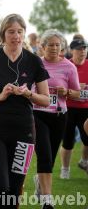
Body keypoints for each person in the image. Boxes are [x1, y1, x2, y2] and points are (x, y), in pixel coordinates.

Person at [0, 14, 50, 208]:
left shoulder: (34, 61)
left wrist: (29, 94)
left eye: (20, 32)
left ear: (24, 34)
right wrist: (1, 95)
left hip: (24, 132)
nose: (16, 36)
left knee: (14, 188)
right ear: (3, 33)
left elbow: (45, 100)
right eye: (11, 32)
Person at [31, 29, 80, 208]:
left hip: (59, 115)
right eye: (50, 45)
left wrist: (66, 92)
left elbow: (77, 93)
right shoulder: (36, 64)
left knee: (50, 157)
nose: (54, 48)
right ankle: (47, 200)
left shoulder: (69, 66)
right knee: (44, 153)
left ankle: (40, 181)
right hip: (38, 113)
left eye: (57, 45)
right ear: (42, 47)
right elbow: (28, 86)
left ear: (62, 47)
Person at [60, 39, 88, 178]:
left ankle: (84, 161)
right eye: (78, 49)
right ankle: (65, 169)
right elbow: (57, 86)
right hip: (68, 108)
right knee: (68, 141)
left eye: (84, 48)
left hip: (85, 108)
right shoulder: (66, 65)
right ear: (72, 51)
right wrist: (75, 89)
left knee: (87, 138)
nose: (82, 51)